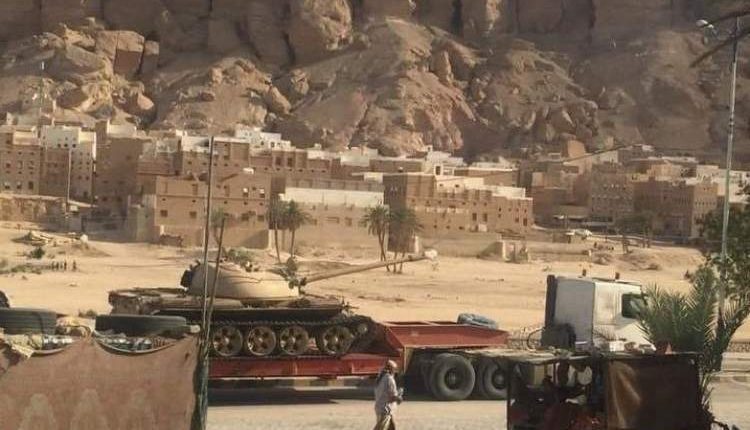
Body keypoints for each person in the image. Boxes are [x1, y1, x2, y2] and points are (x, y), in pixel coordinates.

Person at [373, 359, 403, 430]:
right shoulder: (389, 379)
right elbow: (392, 397)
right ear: (391, 369)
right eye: (395, 369)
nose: (395, 371)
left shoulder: (380, 378)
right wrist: (399, 398)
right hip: (386, 410)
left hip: (380, 408)